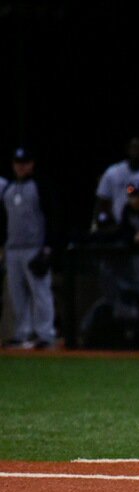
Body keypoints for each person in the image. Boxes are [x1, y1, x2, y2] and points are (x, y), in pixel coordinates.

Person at [0, 148, 60, 349]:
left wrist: (48, 247)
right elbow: (4, 221)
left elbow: (52, 217)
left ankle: (45, 334)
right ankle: (22, 333)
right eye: (18, 163)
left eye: (24, 163)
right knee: (17, 294)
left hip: (35, 247)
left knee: (40, 292)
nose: (21, 166)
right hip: (12, 249)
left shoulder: (40, 186)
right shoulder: (8, 189)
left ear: (32, 164)